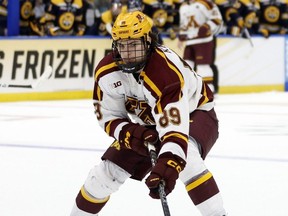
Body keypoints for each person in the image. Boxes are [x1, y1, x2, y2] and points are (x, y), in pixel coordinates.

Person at [70, 10, 227, 216]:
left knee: (186, 157)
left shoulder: (165, 72)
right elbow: (108, 116)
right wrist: (130, 133)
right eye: (122, 45)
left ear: (148, 42)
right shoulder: (107, 72)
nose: (127, 52)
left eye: (134, 44)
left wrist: (168, 164)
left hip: (196, 112)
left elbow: (174, 130)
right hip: (149, 123)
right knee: (105, 174)